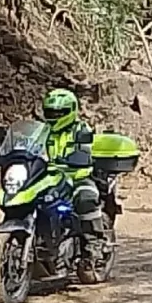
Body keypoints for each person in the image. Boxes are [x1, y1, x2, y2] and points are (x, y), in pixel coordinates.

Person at [41, 88, 104, 248]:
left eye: (59, 113)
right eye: (50, 112)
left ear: (71, 111)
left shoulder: (81, 130)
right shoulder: (43, 131)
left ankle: (93, 245)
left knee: (85, 198)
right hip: (50, 179)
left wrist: (79, 156)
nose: (54, 117)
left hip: (78, 177)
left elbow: (86, 149)